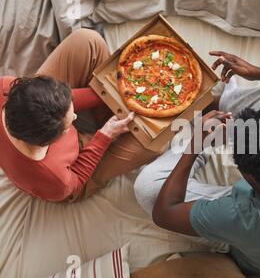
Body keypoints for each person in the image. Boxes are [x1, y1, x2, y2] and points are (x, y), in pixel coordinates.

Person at [133, 51, 260, 275]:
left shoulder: (236, 215)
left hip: (248, 247)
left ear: (247, 175)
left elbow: (164, 213)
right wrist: (255, 72)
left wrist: (194, 146)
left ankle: (206, 137)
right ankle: (223, 109)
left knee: (147, 187)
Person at [0, 29, 159, 202]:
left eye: (71, 112)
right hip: (74, 175)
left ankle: (106, 109)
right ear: (49, 142)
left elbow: (59, 105)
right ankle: (106, 123)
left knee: (87, 41)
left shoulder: (5, 87)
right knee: (153, 141)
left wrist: (112, 91)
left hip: (44, 121)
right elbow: (76, 182)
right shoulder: (56, 180)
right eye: (68, 124)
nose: (76, 117)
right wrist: (105, 136)